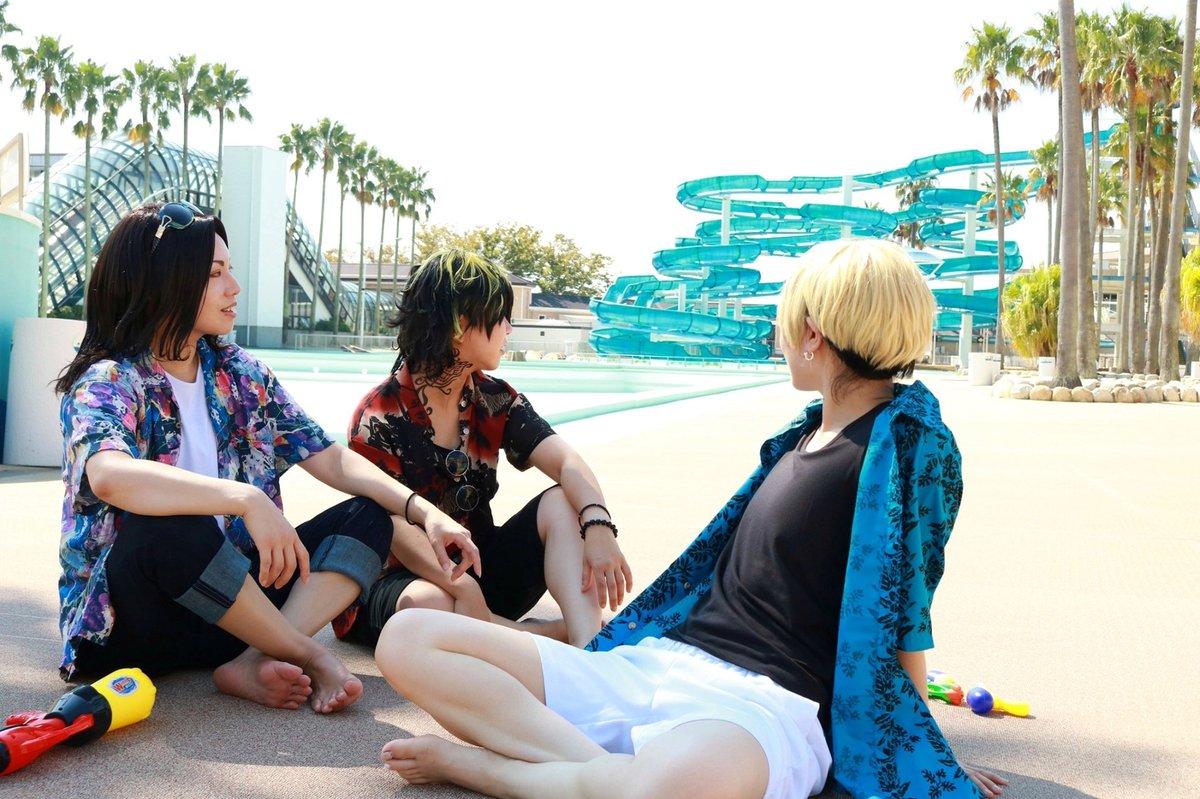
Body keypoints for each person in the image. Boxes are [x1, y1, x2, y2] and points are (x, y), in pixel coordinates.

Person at [373, 239, 1007, 798]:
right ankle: (600, 777)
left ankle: (491, 770)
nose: (779, 337)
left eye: (785, 324)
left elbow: (906, 610)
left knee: (665, 790)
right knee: (407, 637)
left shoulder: (907, 446)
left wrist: (921, 754)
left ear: (814, 334)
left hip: (758, 709)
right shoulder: (798, 438)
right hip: (656, 663)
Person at [56, 202, 477, 714]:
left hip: (233, 616)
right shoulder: (109, 379)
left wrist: (425, 513)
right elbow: (108, 475)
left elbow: (331, 458)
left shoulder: (239, 372)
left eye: (229, 270)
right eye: (215, 273)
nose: (234, 287)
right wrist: (245, 499)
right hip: (133, 626)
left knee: (368, 517)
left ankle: (255, 657)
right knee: (167, 523)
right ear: (164, 278)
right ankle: (304, 653)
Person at [336, 248, 632, 649]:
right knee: (427, 605)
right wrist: (460, 588)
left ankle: (585, 647)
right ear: (461, 324)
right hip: (399, 581)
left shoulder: (495, 399)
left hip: (478, 571)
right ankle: (543, 636)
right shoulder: (380, 414)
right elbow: (390, 527)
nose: (509, 328)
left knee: (565, 501)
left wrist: (598, 526)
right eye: (501, 317)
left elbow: (566, 462)